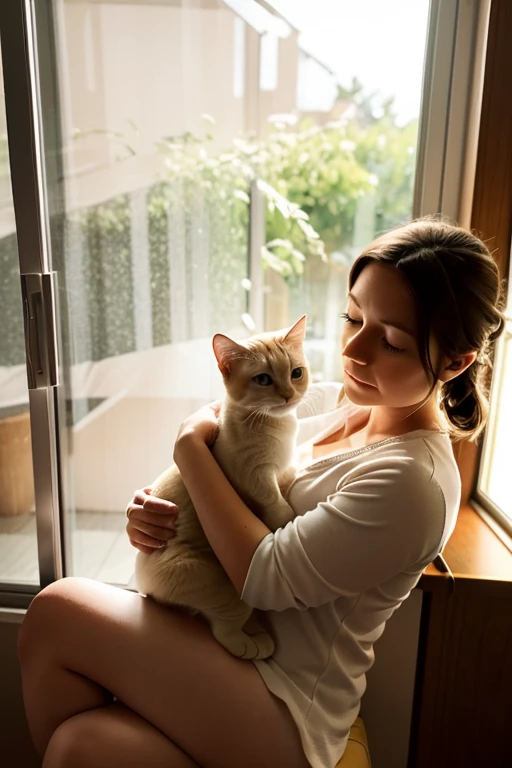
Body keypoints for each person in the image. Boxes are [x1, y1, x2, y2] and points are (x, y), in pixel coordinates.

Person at [18, 217, 505, 768]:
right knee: (76, 748)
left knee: (56, 612)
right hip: (223, 645)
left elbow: (265, 575)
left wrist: (189, 452)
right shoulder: (334, 402)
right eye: (353, 317)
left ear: (456, 361)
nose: (355, 350)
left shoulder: (412, 483)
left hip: (286, 700)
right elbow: (229, 418)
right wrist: (162, 510)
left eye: (391, 340)